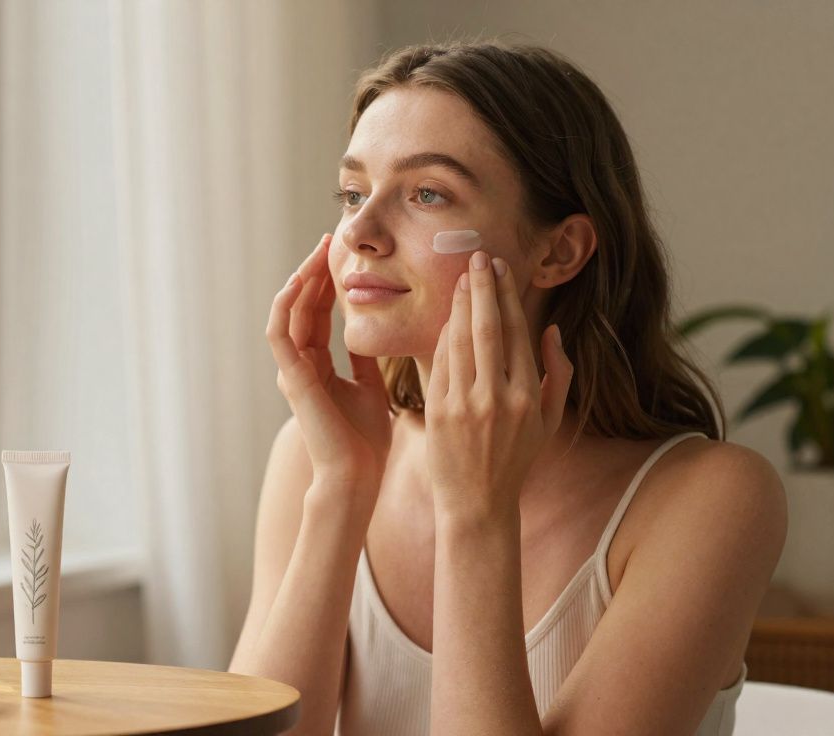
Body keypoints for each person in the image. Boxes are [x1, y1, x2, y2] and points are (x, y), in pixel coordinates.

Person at [228, 41, 787, 736]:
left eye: (427, 193)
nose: (359, 233)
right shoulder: (315, 457)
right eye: (351, 193)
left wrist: (476, 512)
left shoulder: (710, 498)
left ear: (558, 251)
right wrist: (342, 486)